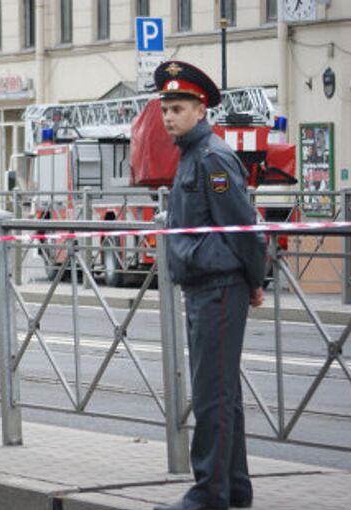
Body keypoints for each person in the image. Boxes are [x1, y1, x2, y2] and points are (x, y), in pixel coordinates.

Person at [153, 61, 266, 510]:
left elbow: (243, 228)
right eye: (165, 109)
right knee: (224, 393)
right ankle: (234, 487)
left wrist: (255, 282)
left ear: (201, 110)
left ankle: (208, 493)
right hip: (205, 284)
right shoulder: (191, 155)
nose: (168, 117)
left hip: (218, 286)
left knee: (211, 395)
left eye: (177, 108)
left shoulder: (213, 158)